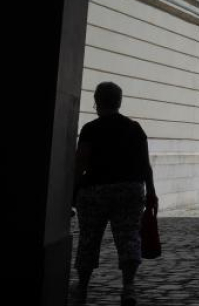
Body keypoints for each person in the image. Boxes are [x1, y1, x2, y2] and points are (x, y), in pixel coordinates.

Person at [70, 81, 158, 306]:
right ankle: (128, 287)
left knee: (89, 240)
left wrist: (71, 192)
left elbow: (80, 163)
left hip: (94, 191)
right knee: (129, 239)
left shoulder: (90, 129)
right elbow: (145, 165)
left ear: (97, 101)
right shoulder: (134, 128)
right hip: (128, 190)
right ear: (119, 102)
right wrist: (152, 193)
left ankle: (82, 289)